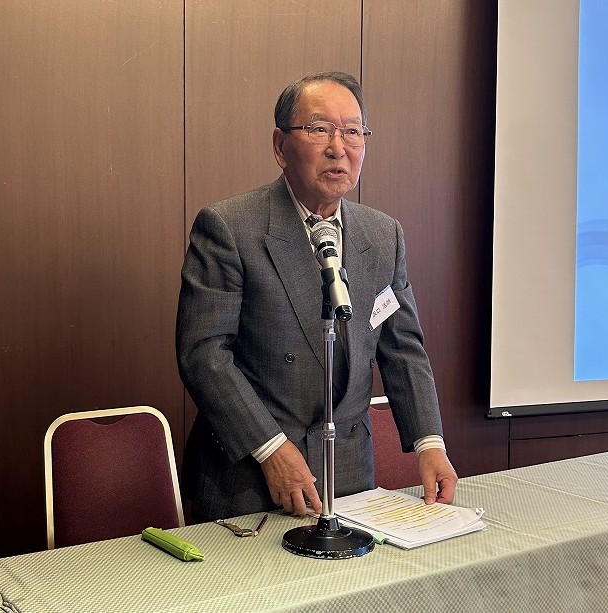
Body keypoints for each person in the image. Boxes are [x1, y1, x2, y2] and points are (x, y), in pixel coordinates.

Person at [176, 71, 457, 522]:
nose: (337, 148)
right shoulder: (230, 227)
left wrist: (429, 442)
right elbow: (204, 353)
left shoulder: (382, 235)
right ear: (280, 145)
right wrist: (270, 448)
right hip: (251, 473)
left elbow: (402, 348)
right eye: (319, 129)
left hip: (348, 473)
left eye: (353, 132)